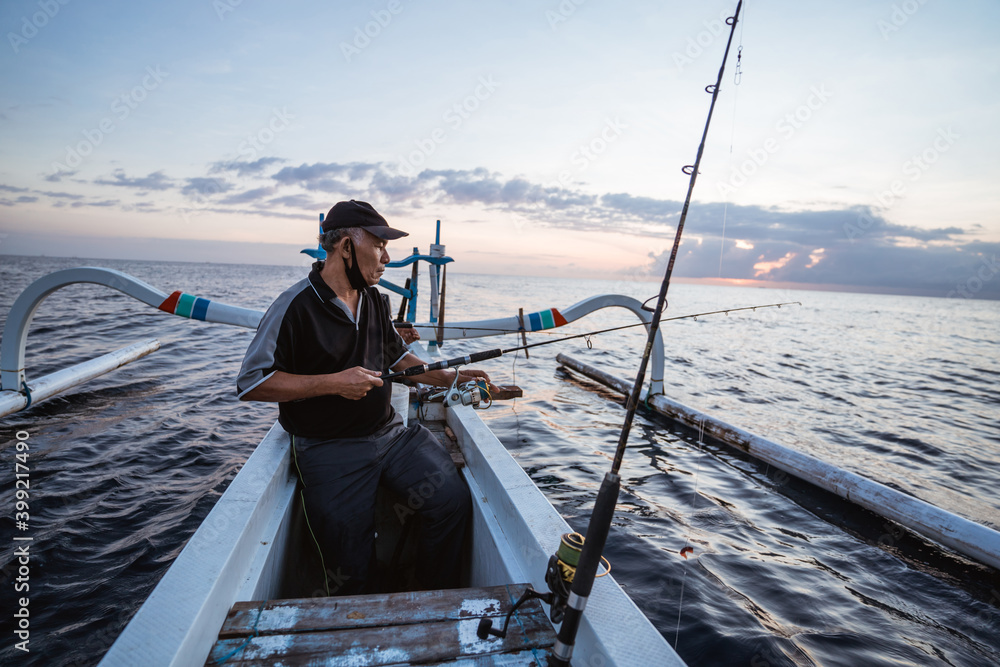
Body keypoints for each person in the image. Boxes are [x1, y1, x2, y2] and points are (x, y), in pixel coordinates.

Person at [236, 200, 491, 596]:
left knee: (451, 502)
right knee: (348, 568)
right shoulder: (294, 305)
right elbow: (251, 383)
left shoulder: (374, 299)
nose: (388, 257)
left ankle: (426, 595)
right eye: (379, 246)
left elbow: (398, 357)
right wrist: (332, 383)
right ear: (345, 247)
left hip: (392, 436)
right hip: (329, 448)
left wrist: (450, 376)